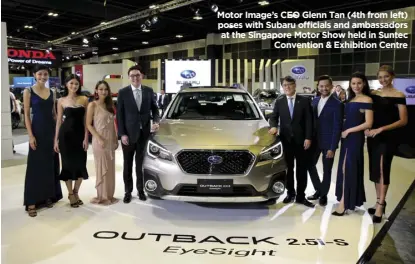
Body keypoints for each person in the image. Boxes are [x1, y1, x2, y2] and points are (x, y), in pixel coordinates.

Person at [365, 65, 408, 223]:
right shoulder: (374, 94)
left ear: (392, 77)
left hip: (388, 137)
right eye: (380, 77)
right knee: (376, 170)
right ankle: (378, 202)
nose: (383, 80)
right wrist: (368, 128)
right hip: (373, 137)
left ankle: (381, 204)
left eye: (386, 77)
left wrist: (382, 128)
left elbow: (403, 120)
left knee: (383, 169)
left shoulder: (399, 95)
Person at [23, 65, 63, 217]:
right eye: (40, 74)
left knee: (49, 165)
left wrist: (57, 135)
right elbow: (27, 115)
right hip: (37, 131)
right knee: (35, 167)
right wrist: (30, 135)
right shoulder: (28, 91)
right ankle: (32, 201)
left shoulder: (52, 92)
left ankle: (48, 196)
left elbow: (54, 114)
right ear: (34, 75)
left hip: (50, 132)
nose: (43, 77)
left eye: (45, 74)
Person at [117, 65, 160, 203]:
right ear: (129, 78)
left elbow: (155, 109)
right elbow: (120, 115)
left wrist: (156, 121)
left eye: (137, 75)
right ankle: (127, 191)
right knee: (127, 164)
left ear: (141, 76)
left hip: (144, 134)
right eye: (132, 76)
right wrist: (122, 134)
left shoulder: (148, 91)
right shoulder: (123, 92)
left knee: (141, 164)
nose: (135, 78)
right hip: (128, 136)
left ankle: (141, 190)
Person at [268, 76, 314, 208]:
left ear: (295, 85)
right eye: (284, 85)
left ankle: (301, 196)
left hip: (302, 141)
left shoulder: (304, 101)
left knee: (301, 169)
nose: (287, 87)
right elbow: (273, 117)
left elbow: (309, 121)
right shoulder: (280, 101)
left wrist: (308, 137)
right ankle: (290, 193)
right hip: (286, 141)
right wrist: (273, 126)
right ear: (282, 87)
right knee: (289, 169)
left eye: (290, 84)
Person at [332, 72, 373, 216]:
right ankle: (348, 199)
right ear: (350, 84)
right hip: (346, 138)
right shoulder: (350, 99)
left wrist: (349, 130)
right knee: (344, 168)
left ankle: (344, 203)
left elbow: (368, 123)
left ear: (364, 84)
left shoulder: (367, 100)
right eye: (353, 83)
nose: (356, 86)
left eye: (359, 83)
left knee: (347, 167)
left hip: (354, 138)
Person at [307, 75, 343, 206]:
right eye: (321, 86)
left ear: (331, 86)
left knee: (327, 170)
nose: (324, 88)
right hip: (315, 141)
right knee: (310, 165)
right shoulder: (314, 101)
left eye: (326, 86)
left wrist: (333, 148)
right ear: (318, 87)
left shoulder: (337, 104)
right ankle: (319, 190)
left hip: (328, 143)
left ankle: (323, 195)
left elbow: (337, 127)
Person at [54, 74, 89, 208]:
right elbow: (58, 122)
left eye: (76, 84)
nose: (74, 86)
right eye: (71, 83)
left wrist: (86, 137)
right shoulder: (61, 100)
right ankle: (70, 194)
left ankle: (76, 192)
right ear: (66, 85)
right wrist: (55, 140)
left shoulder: (84, 99)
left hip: (80, 136)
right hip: (65, 136)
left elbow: (86, 120)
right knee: (67, 165)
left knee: (81, 164)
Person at [87, 81, 119, 205]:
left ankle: (109, 195)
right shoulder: (92, 105)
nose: (103, 91)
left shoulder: (110, 106)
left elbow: (113, 125)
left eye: (105, 89)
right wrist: (98, 138)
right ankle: (102, 196)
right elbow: (88, 124)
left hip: (110, 140)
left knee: (110, 168)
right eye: (100, 89)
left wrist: (116, 139)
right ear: (96, 91)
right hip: (99, 141)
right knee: (102, 168)